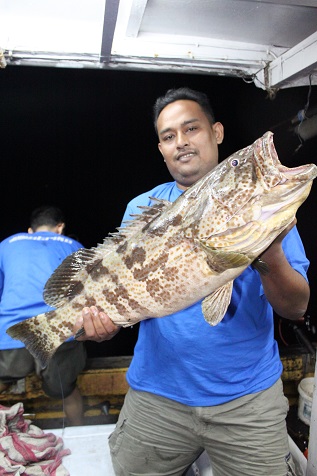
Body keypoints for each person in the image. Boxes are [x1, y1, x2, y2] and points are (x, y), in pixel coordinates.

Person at [73, 87, 310, 475]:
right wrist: (95, 329)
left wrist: (270, 251)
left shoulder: (265, 210)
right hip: (156, 395)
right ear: (162, 150)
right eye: (169, 136)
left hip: (247, 400)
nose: (181, 142)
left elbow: (296, 307)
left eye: (191, 129)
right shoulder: (143, 209)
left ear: (216, 132)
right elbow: (127, 295)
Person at [0, 205, 87, 426]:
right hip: (58, 333)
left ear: (30, 230)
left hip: (12, 332)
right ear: (60, 228)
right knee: (65, 391)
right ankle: (78, 432)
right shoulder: (75, 246)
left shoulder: (7, 244)